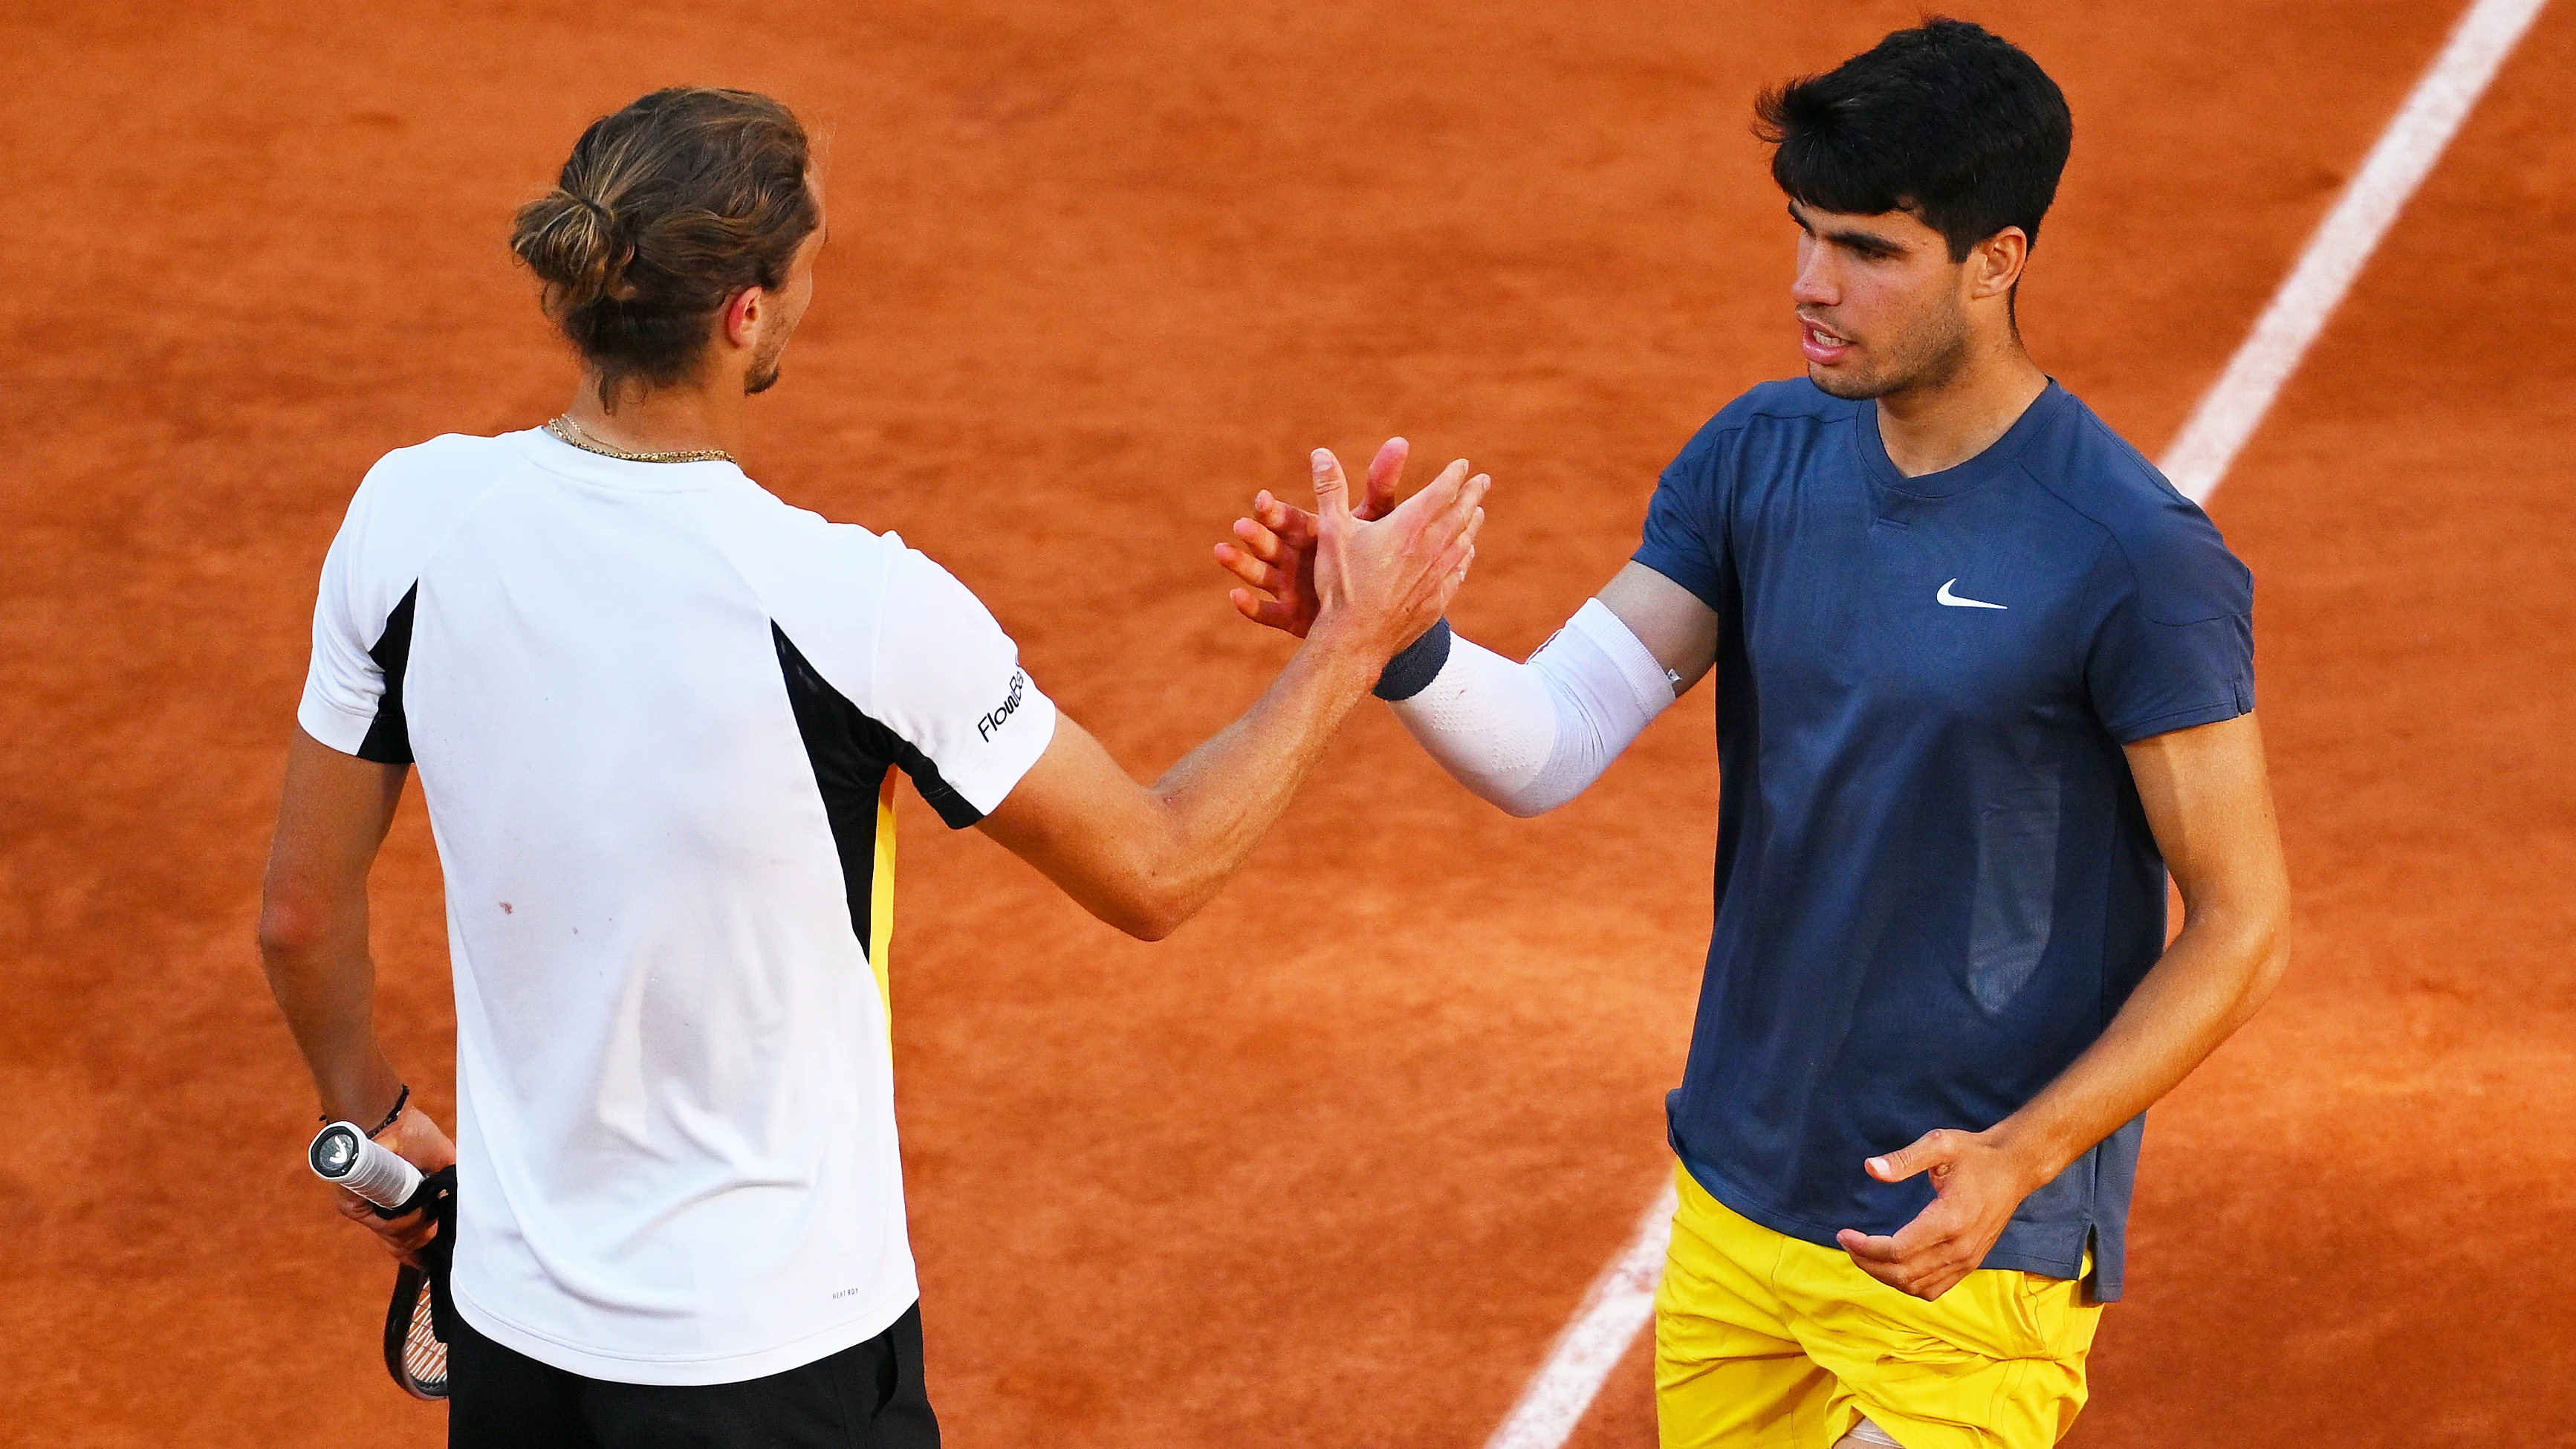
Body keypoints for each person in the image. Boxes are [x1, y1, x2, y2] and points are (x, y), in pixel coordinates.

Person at [257, 86, 1485, 1448]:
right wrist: (1353, 643)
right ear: (744, 317)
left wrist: (368, 1127)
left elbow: (300, 917)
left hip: (516, 1346)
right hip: (784, 1359)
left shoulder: (408, 519)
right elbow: (1155, 866)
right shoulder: (852, 604)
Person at [1216, 20, 2289, 1448]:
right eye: (1801, 235)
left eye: (1866, 250)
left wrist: (2019, 1158)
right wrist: (1387, 645)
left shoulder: (2133, 559)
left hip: (1961, 1239)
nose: (1810, 287)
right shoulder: (1757, 456)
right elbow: (1551, 743)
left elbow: (2242, 921)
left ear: (1999, 258)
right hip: (1736, 1205)